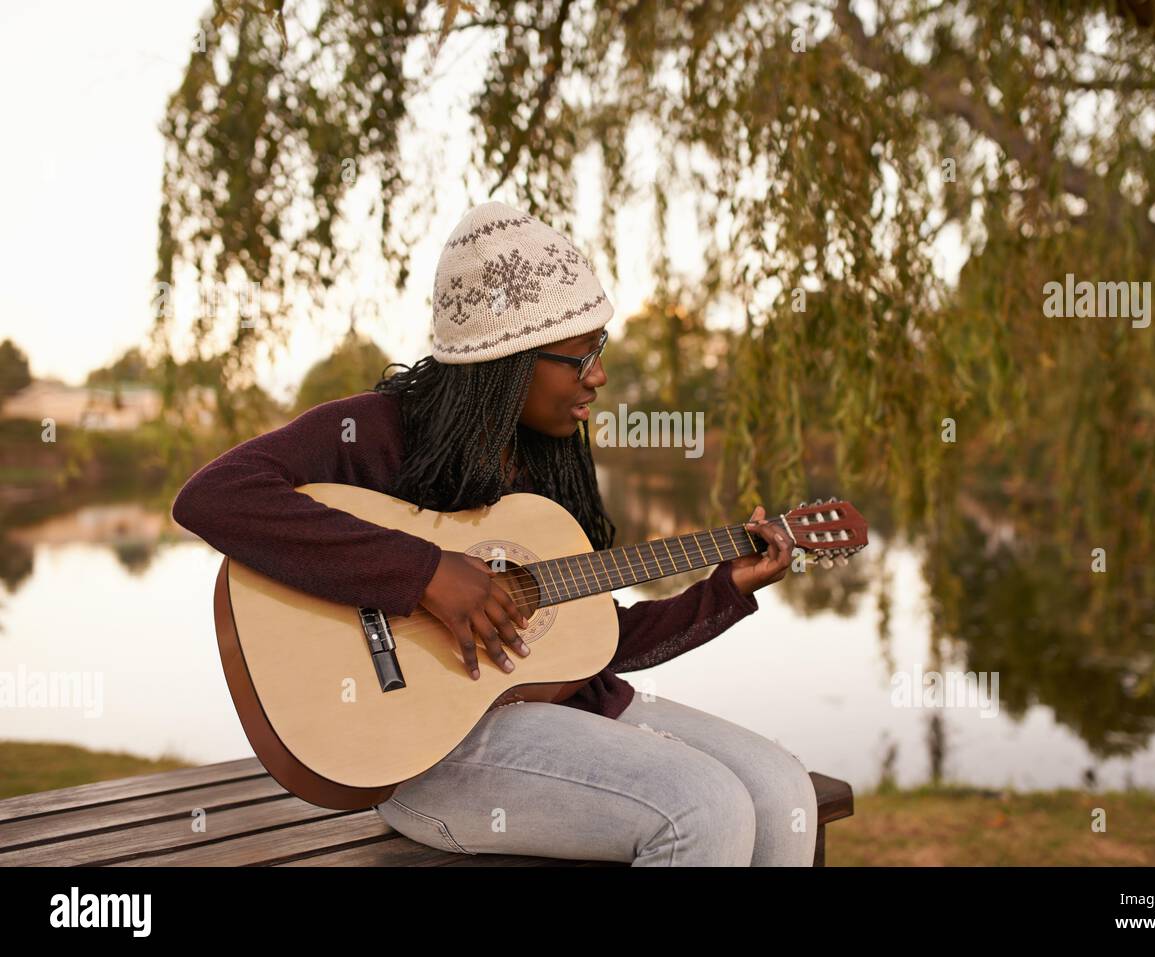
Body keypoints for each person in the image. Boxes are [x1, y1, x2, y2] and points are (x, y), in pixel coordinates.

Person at [171, 201, 815, 865]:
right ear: (507, 361)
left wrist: (725, 590)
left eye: (600, 349)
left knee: (780, 791)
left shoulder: (548, 451)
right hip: (422, 750)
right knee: (703, 808)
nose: (598, 374)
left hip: (568, 716)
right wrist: (424, 574)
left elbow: (593, 643)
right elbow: (214, 496)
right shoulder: (375, 432)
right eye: (579, 356)